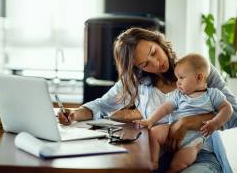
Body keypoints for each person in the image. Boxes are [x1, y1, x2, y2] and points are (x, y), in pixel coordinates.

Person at [58, 28, 237, 173]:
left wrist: (187, 122)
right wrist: (73, 114)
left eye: (154, 52)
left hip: (200, 154)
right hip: (155, 158)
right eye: (145, 64)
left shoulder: (197, 68)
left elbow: (234, 114)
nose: (156, 63)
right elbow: (101, 106)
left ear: (158, 41)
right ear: (137, 68)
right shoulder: (136, 81)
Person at [134, 53, 232, 172]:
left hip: (195, 140)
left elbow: (227, 109)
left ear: (199, 77)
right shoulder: (179, 95)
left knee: (179, 163)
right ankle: (153, 163)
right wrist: (150, 120)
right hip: (172, 131)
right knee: (154, 133)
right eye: (177, 78)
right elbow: (165, 108)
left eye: (181, 78)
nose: (178, 83)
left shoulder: (213, 94)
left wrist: (215, 122)